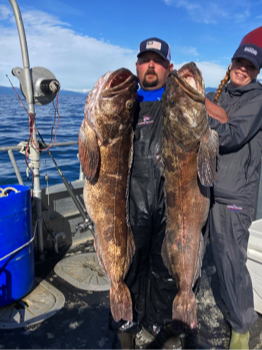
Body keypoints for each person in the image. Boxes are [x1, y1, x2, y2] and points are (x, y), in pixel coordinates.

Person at [109, 37, 181, 349]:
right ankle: (125, 325)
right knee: (130, 265)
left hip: (169, 200)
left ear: (169, 67)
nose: (151, 66)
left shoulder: (180, 103)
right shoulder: (124, 104)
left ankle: (160, 325)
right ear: (137, 65)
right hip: (131, 199)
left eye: (158, 61)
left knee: (165, 268)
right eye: (145, 60)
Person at [205, 43, 262, 349]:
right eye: (239, 62)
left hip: (234, 195)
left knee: (231, 261)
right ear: (231, 63)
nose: (242, 68)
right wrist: (210, 110)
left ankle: (242, 325)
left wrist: (203, 115)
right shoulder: (218, 95)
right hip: (204, 189)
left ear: (257, 71)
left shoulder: (257, 99)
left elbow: (229, 135)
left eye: (249, 65)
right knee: (193, 255)